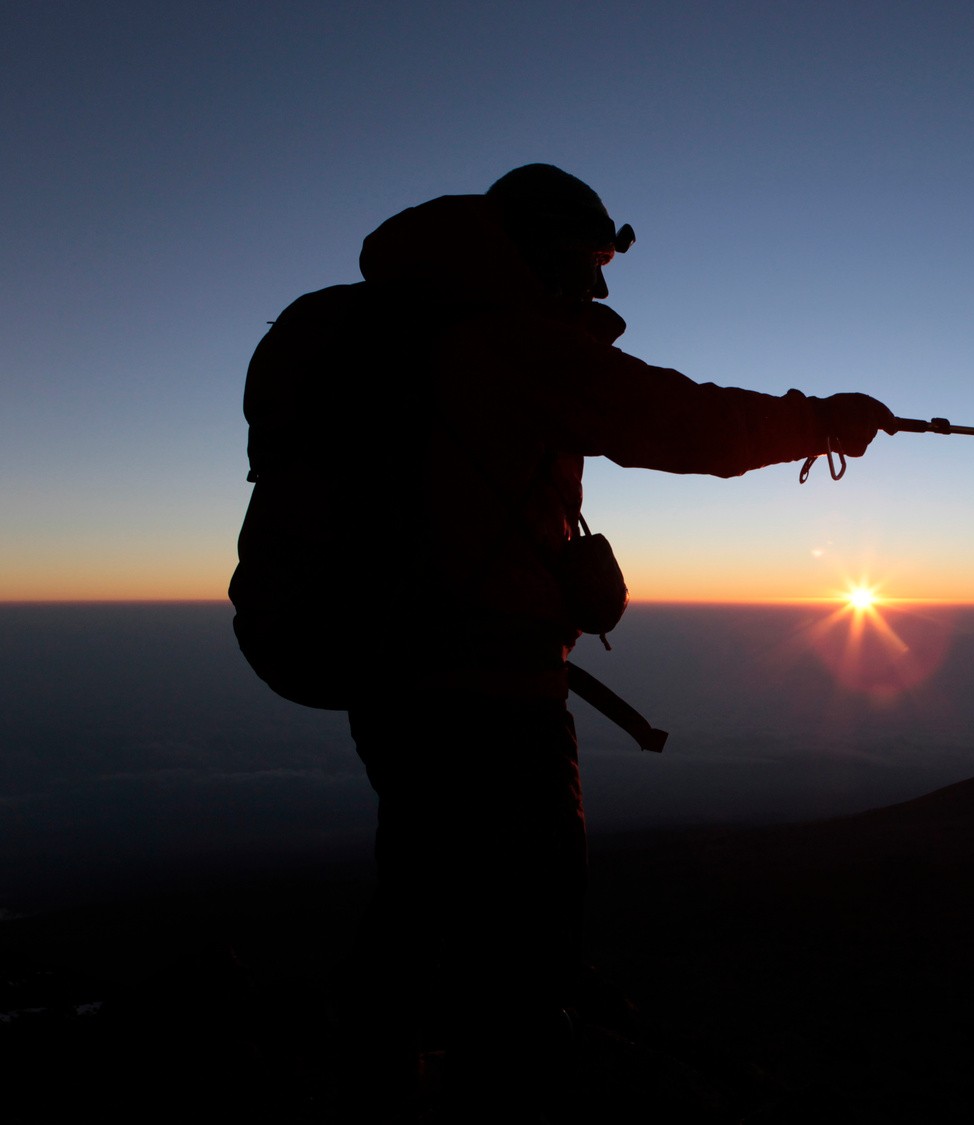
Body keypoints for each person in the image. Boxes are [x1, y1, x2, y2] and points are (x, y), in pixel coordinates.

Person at [244, 164, 891, 1119]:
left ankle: (374, 1084)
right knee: (523, 931)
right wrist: (819, 423)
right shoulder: (509, 341)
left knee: (419, 881)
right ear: (540, 252)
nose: (598, 288)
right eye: (589, 262)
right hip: (493, 687)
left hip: (389, 664)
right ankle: (508, 1102)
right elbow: (679, 419)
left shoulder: (398, 334)